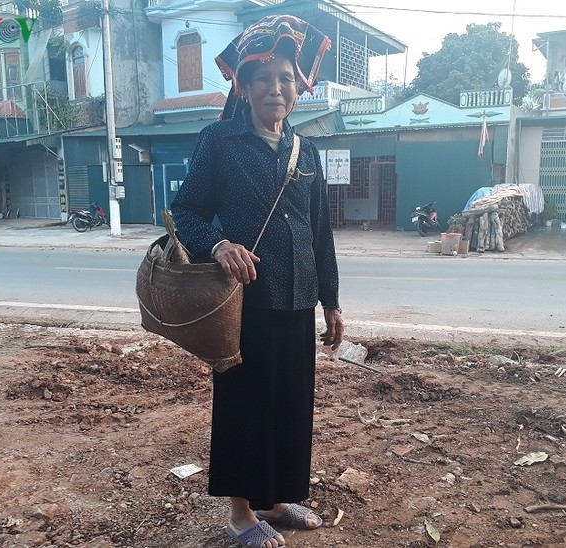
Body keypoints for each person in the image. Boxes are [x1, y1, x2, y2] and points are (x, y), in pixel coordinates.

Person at [170, 15, 344, 548]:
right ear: (244, 87)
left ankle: (275, 498)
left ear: (300, 86)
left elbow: (320, 231)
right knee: (247, 405)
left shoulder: (306, 150)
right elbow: (186, 211)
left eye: (286, 77)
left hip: (297, 298)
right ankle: (242, 515)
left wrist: (331, 302)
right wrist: (219, 246)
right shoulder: (219, 140)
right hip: (243, 303)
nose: (276, 87)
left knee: (291, 403)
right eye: (263, 77)